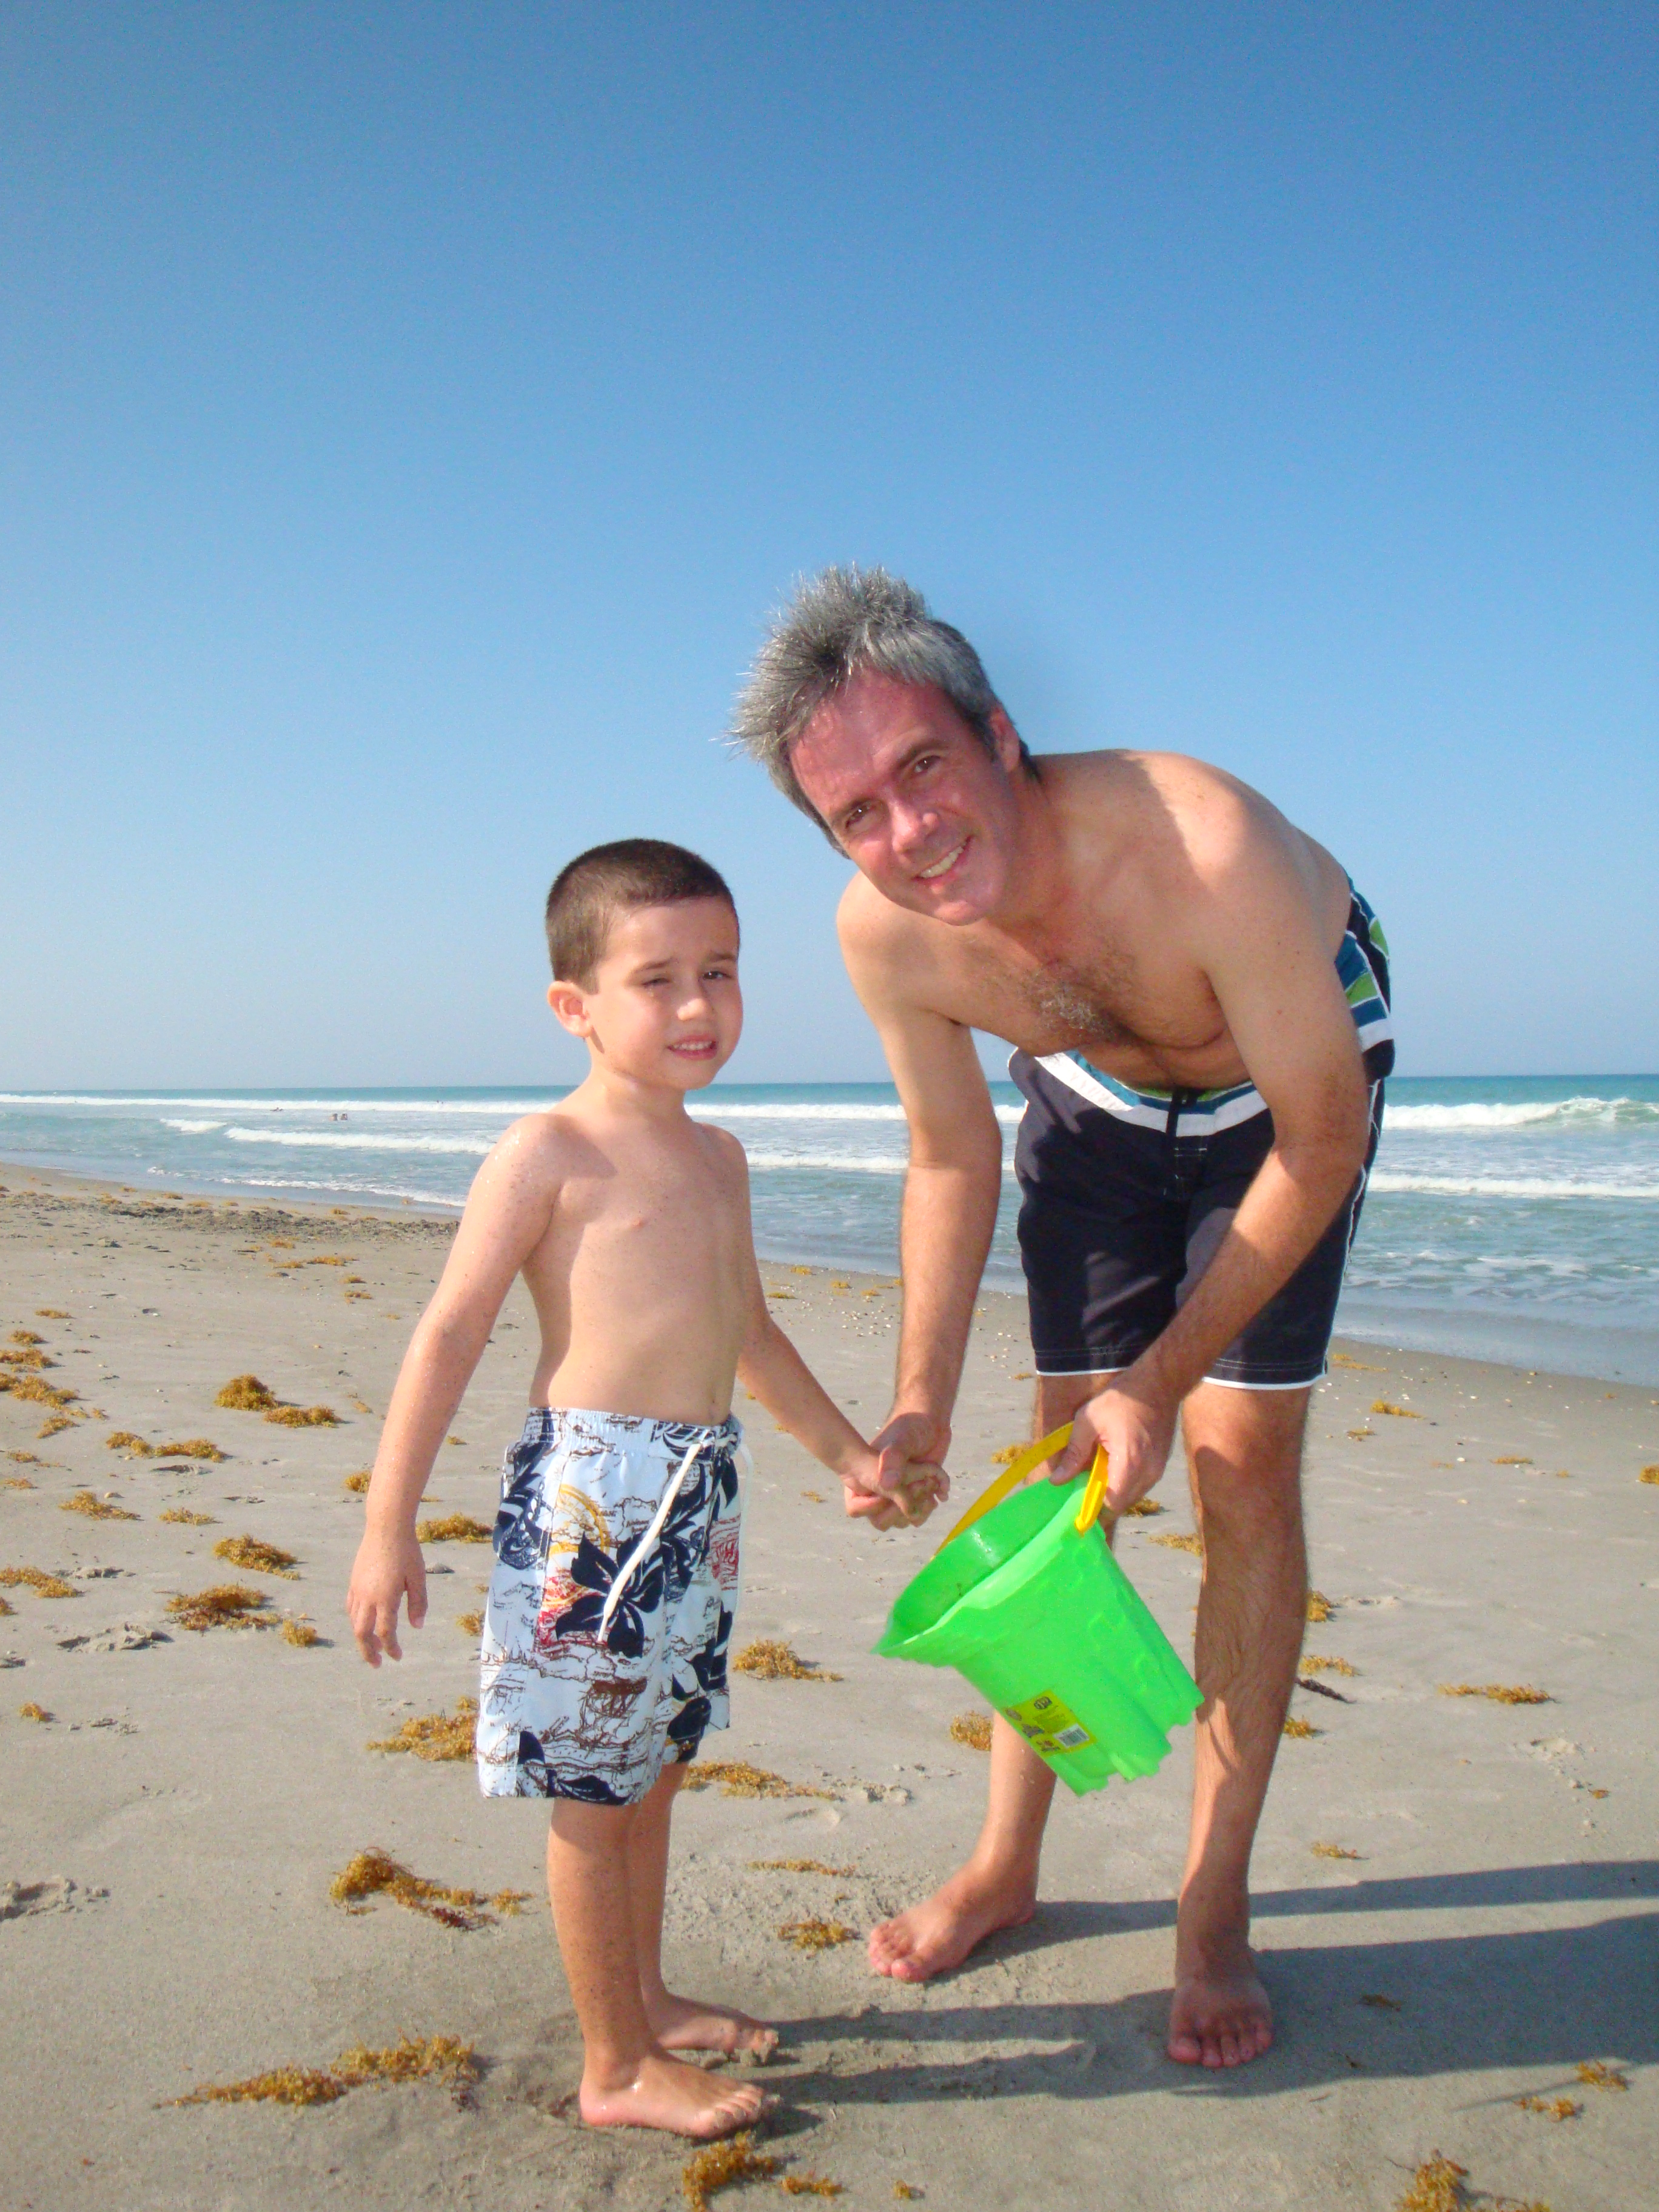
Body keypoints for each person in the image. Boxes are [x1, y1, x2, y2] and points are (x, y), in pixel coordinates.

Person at [731, 570, 1393, 2071]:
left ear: (1000, 736)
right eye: (857, 813)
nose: (909, 830)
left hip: (1286, 1090)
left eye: (925, 767)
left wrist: (1158, 1381)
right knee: (1054, 1478)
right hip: (1097, 1093)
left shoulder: (1203, 844)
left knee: (1238, 1467)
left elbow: (1323, 1140)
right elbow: (949, 1157)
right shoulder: (890, 937)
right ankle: (1005, 1863)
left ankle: (1212, 1907)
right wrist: (918, 1400)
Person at [346, 837, 943, 2139]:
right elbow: (449, 1332)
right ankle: (611, 2065)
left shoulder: (720, 1158)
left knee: (656, 1765)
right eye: (657, 979)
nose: (696, 1005)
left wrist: (852, 1454)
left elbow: (750, 1334)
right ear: (575, 1006)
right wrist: (389, 1524)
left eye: (719, 971)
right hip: (592, 1503)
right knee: (591, 1790)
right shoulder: (548, 1152)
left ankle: (647, 1999)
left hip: (698, 1494)